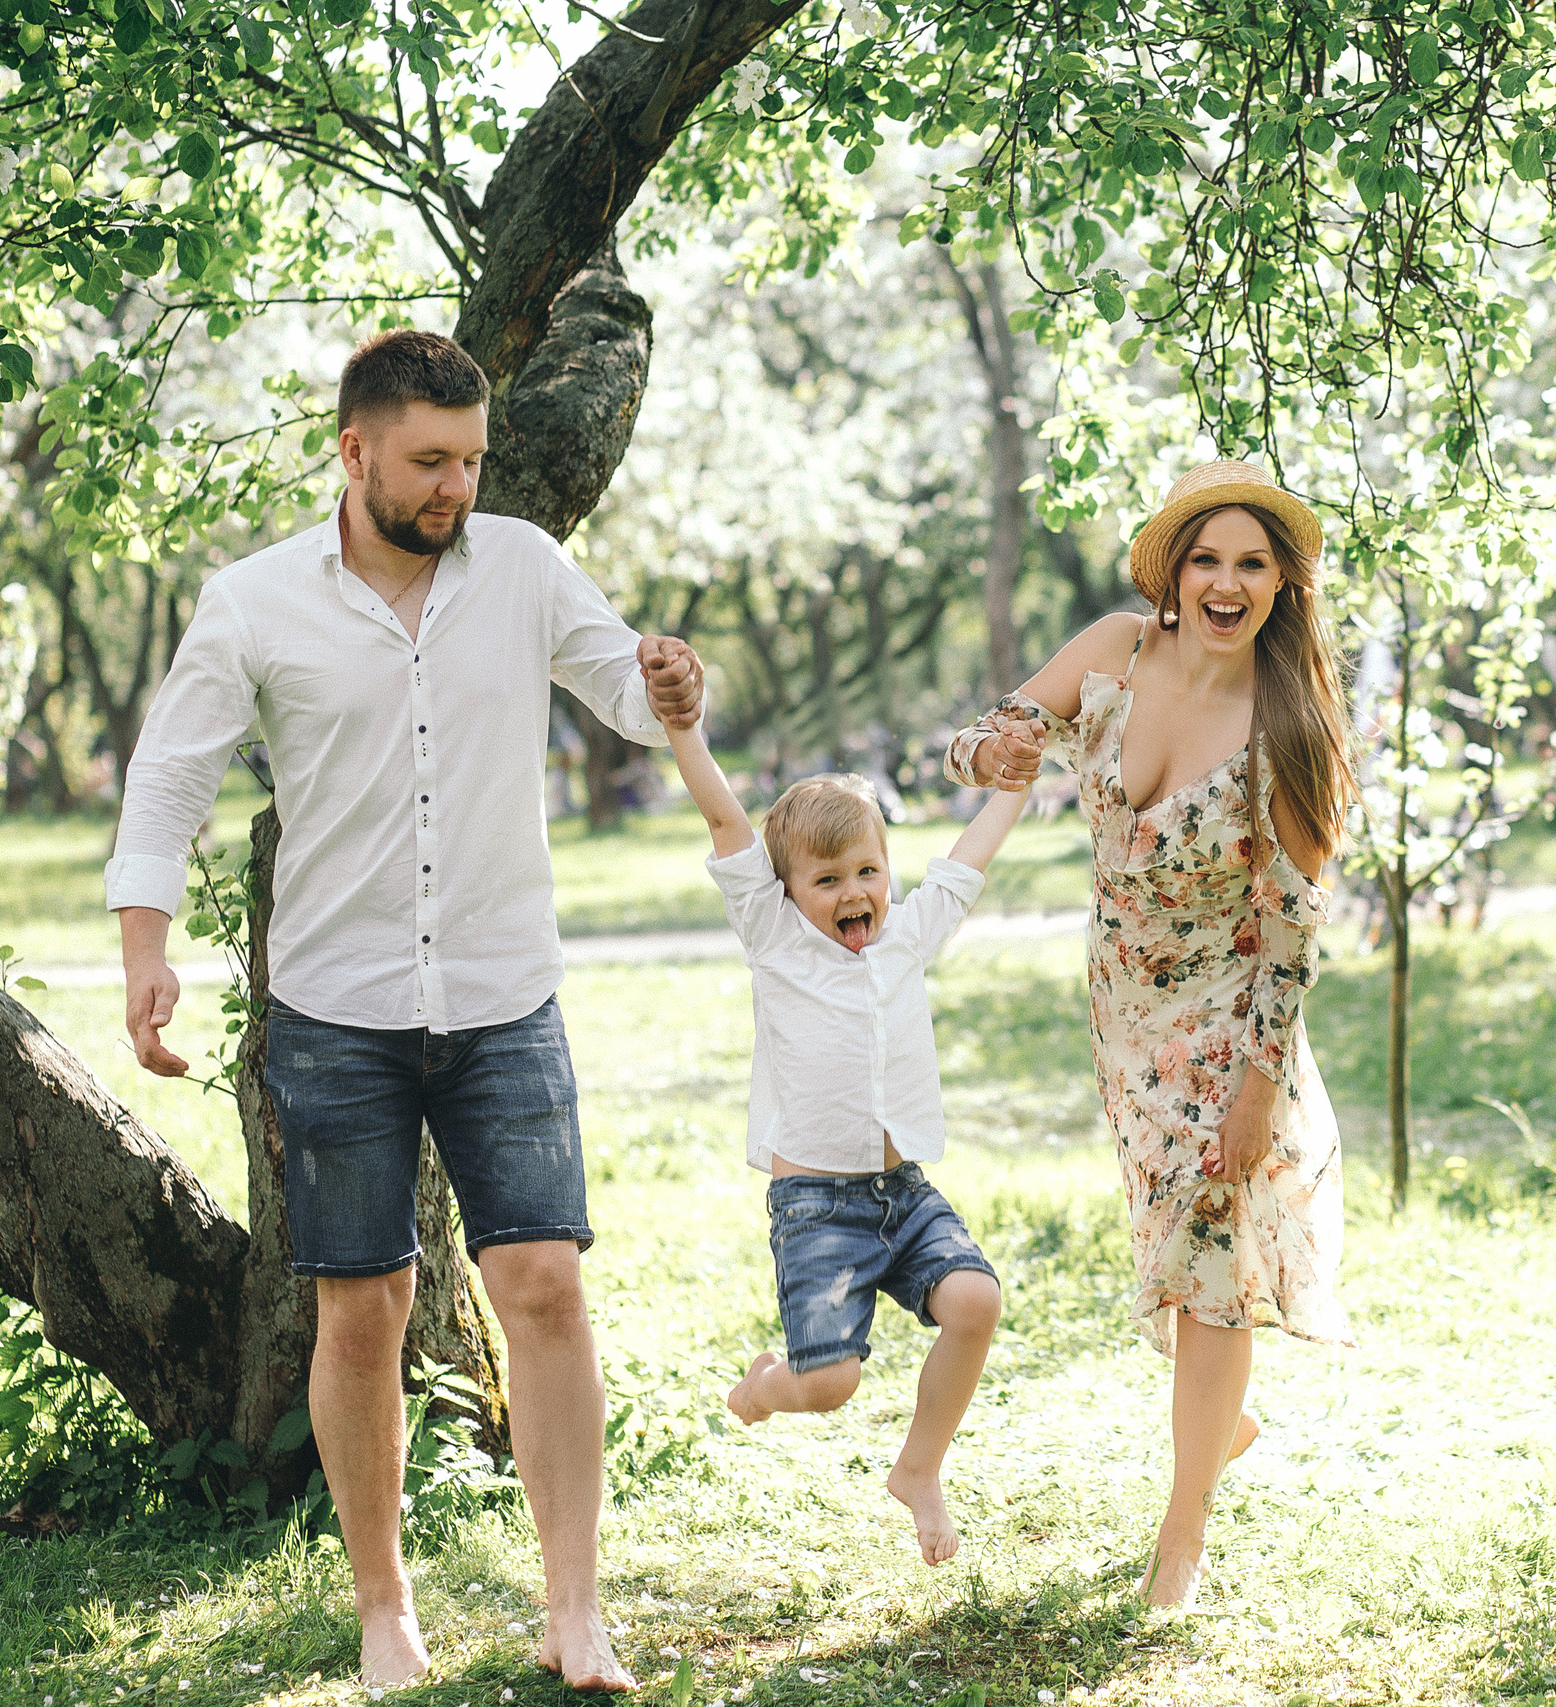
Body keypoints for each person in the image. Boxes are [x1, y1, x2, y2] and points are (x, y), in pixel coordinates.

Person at [108, 328, 704, 1694]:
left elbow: (625, 688)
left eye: (473, 462)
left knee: (544, 1283)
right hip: (337, 1000)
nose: (456, 489)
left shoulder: (524, 568)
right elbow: (169, 778)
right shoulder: (256, 601)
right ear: (355, 448)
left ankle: (573, 1605)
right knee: (364, 1301)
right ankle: (385, 1605)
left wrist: (667, 686)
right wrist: (146, 944)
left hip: (502, 989)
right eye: (430, 462)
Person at [943, 458, 1358, 1607]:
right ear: (1176, 572)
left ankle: (1183, 1541)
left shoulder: (1287, 724)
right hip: (1124, 1015)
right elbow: (985, 737)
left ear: (1282, 586)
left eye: (1252, 564)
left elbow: (1292, 930)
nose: (1226, 584)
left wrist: (1254, 1089)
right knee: (1172, 1258)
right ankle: (1219, 1427)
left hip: (1229, 1025)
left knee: (1214, 1270)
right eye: (1208, 559)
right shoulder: (1116, 652)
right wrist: (992, 755)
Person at [662, 717, 1022, 1564]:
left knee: (976, 1302)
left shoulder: (903, 936)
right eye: (827, 879)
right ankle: (765, 1386)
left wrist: (1013, 786)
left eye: (868, 870)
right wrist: (686, 731)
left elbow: (966, 863)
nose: (855, 890)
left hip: (903, 1190)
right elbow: (725, 824)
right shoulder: (776, 939)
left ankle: (919, 1467)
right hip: (817, 1204)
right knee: (829, 1384)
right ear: (785, 892)